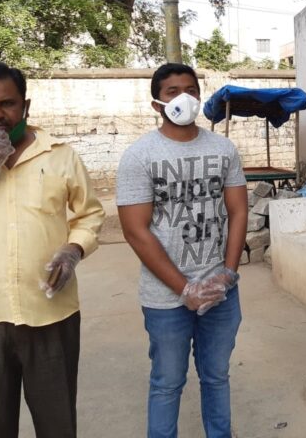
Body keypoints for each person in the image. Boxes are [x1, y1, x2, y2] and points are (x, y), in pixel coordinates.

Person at [0, 62, 105, 438]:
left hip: (51, 314)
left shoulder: (60, 155)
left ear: (25, 106)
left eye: (7, 103)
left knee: (58, 425)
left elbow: (90, 215)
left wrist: (74, 249)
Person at [117, 63, 248, 438]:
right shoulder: (140, 156)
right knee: (167, 382)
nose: (183, 98)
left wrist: (228, 273)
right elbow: (135, 230)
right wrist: (184, 288)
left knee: (216, 377)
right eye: (173, 91)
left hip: (222, 291)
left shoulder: (223, 149)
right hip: (165, 298)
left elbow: (238, 211)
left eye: (190, 89)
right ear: (157, 102)